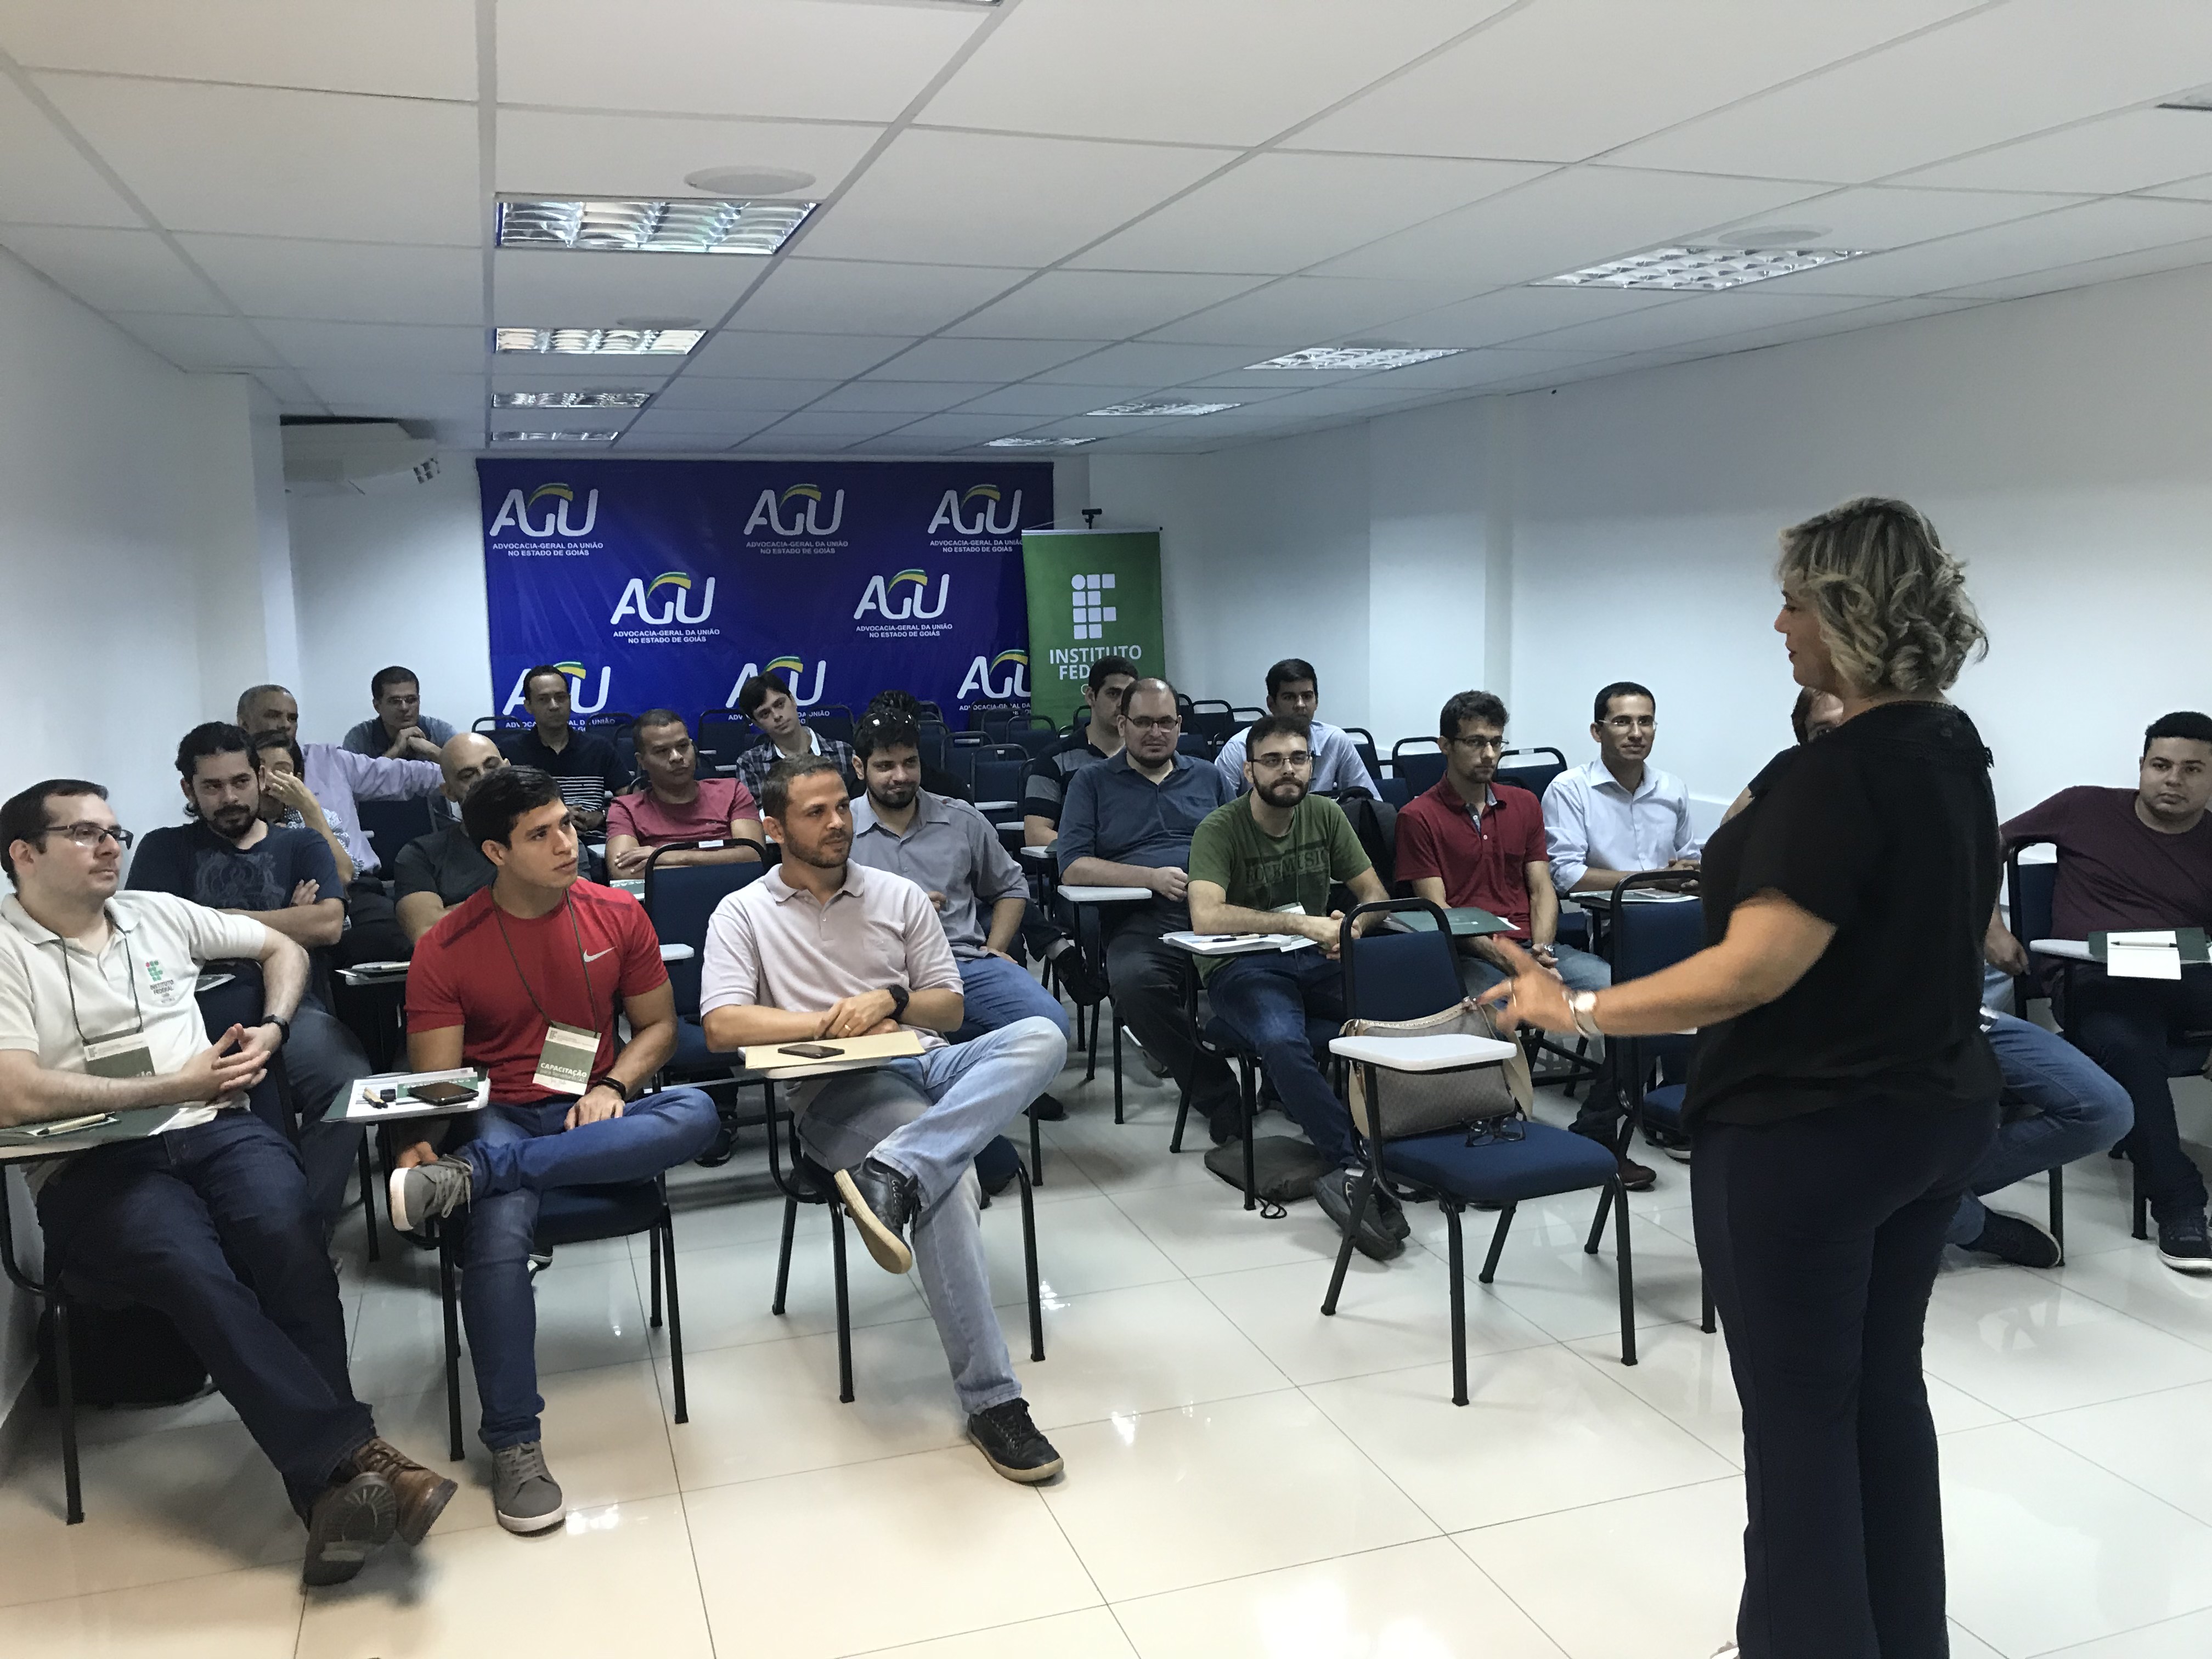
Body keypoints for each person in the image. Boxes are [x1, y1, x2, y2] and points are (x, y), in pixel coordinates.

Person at [1480, 496, 1999, 1659]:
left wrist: (1580, 1007)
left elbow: (1754, 971)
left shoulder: (1838, 778)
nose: (1778, 623)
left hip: (1812, 1132)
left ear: (1849, 614)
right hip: (1932, 1114)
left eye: (1796, 601)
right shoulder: (1948, 748)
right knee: (1879, 1395)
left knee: (1801, 1425)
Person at [0, 778, 454, 1584]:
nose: (112, 846)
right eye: (85, 834)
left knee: (289, 1239)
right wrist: (172, 1086)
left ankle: (331, 1494)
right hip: (90, 1162)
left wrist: (275, 1029)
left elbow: (282, 947)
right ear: (24, 856)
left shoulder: (156, 912)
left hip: (213, 1129)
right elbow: (17, 1090)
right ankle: (355, 1461)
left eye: (115, 830)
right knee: (190, 1269)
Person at [698, 755, 1069, 1484]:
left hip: (925, 1060)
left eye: (841, 806)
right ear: (774, 827)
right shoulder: (742, 911)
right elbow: (721, 1025)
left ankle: (897, 1169)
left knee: (1043, 1036)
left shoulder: (897, 896)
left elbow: (950, 1008)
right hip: (838, 1087)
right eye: (815, 812)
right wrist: (833, 1022)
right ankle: (994, 1400)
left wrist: (889, 1001)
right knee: (953, 1185)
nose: (838, 822)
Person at [383, 766, 718, 1535]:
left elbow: (660, 1030)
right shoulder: (447, 945)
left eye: (569, 824)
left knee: (695, 1110)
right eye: (543, 834)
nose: (570, 843)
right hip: (497, 1113)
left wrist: (620, 1086)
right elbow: (441, 1084)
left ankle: (474, 1179)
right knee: (499, 1231)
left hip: (595, 1112)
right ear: (496, 851)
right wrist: (420, 1145)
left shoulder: (614, 914)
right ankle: (515, 1443)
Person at [1788, 690, 2129, 1269]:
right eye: (1827, 734)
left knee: (2103, 1109)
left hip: (1959, 1016)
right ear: (1804, 745)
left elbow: (1977, 861)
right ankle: (1972, 1227)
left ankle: (1933, 1203)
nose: (1849, 744)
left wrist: (1990, 924)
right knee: (1882, 1145)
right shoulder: (1796, 813)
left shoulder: (1932, 798)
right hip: (1854, 1033)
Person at [1989, 710, 2212, 1271]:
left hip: (2188, 980)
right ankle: (2180, 1205)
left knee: (2143, 1035)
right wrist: (1990, 926)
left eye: (2192, 769)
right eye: (2161, 765)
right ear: (2141, 766)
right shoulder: (2083, 808)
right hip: (2097, 980)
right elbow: (1982, 845)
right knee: (2130, 1044)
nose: (2173, 780)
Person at [1393, 691, 1644, 1189]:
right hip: (1469, 955)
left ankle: (1597, 1131)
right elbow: (1439, 915)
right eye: (1474, 743)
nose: (1488, 755)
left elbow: (1541, 888)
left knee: (1632, 1004)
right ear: (1445, 745)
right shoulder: (1417, 817)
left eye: (1496, 743)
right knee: (1492, 1016)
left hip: (1533, 950)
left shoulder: (1524, 804)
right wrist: (1515, 964)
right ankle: (1490, 1147)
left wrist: (1543, 951)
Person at [128, 724, 374, 1226]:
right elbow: (151, 936)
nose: (230, 798)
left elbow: (326, 925)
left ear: (261, 777)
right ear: (188, 791)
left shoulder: (301, 844)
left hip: (293, 1006)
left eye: (240, 782)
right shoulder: (162, 849)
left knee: (350, 1085)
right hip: (193, 1010)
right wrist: (285, 920)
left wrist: (206, 920)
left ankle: (303, 1228)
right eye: (212, 787)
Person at [1188, 715, 1393, 1249]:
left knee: (1402, 1008)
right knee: (1282, 1040)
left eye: (1298, 759)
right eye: (1274, 760)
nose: (1288, 770)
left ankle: (1411, 1139)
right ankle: (1353, 1163)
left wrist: (1349, 930)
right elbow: (1206, 916)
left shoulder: (1325, 814)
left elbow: (1375, 897)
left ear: (1312, 765)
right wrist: (1298, 922)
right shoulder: (1220, 827)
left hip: (1317, 958)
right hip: (1243, 966)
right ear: (1249, 769)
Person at [845, 709, 1070, 1119]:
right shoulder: (838, 829)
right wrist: (891, 907)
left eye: (909, 762)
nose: (900, 775)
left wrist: (997, 946)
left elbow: (1011, 887)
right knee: (888, 1052)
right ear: (860, 768)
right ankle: (967, 1103)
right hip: (872, 972)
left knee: (1050, 1024)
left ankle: (973, 1098)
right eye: (885, 766)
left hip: (961, 962)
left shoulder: (960, 818)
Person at [1057, 678, 1240, 1132]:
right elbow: (1072, 865)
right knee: (1135, 985)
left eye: (1165, 722)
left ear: (1179, 726)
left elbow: (1245, 847)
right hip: (1140, 915)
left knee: (1283, 970)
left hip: (1218, 910)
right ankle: (1217, 1092)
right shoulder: (1093, 782)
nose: (1154, 732)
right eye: (1142, 722)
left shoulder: (1210, 776)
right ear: (1122, 724)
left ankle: (1283, 1083)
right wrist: (1150, 879)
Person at [237, 684, 443, 879]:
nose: (285, 725)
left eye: (292, 718)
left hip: (356, 884)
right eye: (273, 715)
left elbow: (406, 776)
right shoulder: (232, 781)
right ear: (244, 723)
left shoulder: (329, 760)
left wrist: (455, 767)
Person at [1542, 681, 1701, 895]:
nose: (1636, 733)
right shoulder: (1569, 789)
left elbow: (1690, 861)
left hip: (1677, 910)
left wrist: (1691, 876)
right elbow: (1566, 875)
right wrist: (1656, 879)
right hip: (1612, 916)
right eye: (1622, 722)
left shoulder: (1672, 788)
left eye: (1645, 722)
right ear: (1597, 732)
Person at [603, 710, 764, 879]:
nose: (677, 757)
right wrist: (721, 862)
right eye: (662, 751)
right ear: (641, 761)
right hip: (666, 902)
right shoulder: (625, 808)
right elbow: (624, 873)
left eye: (683, 746)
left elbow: (754, 856)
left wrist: (667, 855)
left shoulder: (732, 791)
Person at [393, 732, 505, 943]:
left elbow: (573, 908)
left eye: (492, 766)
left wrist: (457, 911)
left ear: (508, 768)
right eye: (467, 775)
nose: (485, 779)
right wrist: (524, 897)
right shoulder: (421, 855)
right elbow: (426, 933)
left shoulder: (551, 836)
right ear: (449, 792)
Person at [1214, 658, 1380, 798]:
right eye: (1289, 697)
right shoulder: (1239, 748)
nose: (1300, 705)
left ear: (1317, 701)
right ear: (1271, 704)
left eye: (1307, 697)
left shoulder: (1334, 740)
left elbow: (1369, 800)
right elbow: (1218, 814)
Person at [496, 666, 630, 833]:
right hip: (536, 843)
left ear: (570, 700)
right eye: (543, 700)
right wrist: (559, 817)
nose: (554, 706)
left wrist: (603, 814)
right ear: (528, 706)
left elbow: (631, 800)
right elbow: (500, 810)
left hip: (596, 840)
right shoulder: (510, 752)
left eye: (561, 697)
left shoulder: (599, 748)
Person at [1023, 656, 1136, 848]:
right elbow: (1035, 833)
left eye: (1128, 696)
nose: (1121, 704)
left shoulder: (1147, 756)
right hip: (1083, 869)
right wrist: (1097, 851)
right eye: (1113, 694)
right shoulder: (1054, 760)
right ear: (1091, 697)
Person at [252, 729, 356, 887]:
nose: (268, 781)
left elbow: (344, 876)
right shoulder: (236, 817)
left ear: (298, 780)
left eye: (281, 771)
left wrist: (308, 807)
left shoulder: (320, 817)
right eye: (260, 770)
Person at [733, 671, 856, 799]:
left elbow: (855, 808)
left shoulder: (843, 752)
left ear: (793, 700)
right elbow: (755, 817)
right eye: (765, 714)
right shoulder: (750, 764)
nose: (777, 716)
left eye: (780, 704)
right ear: (756, 723)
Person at [341, 665, 455, 760]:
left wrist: (432, 751)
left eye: (411, 700)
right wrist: (395, 751)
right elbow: (351, 783)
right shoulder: (359, 738)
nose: (405, 708)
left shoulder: (440, 731)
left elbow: (469, 770)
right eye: (395, 702)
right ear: (377, 706)